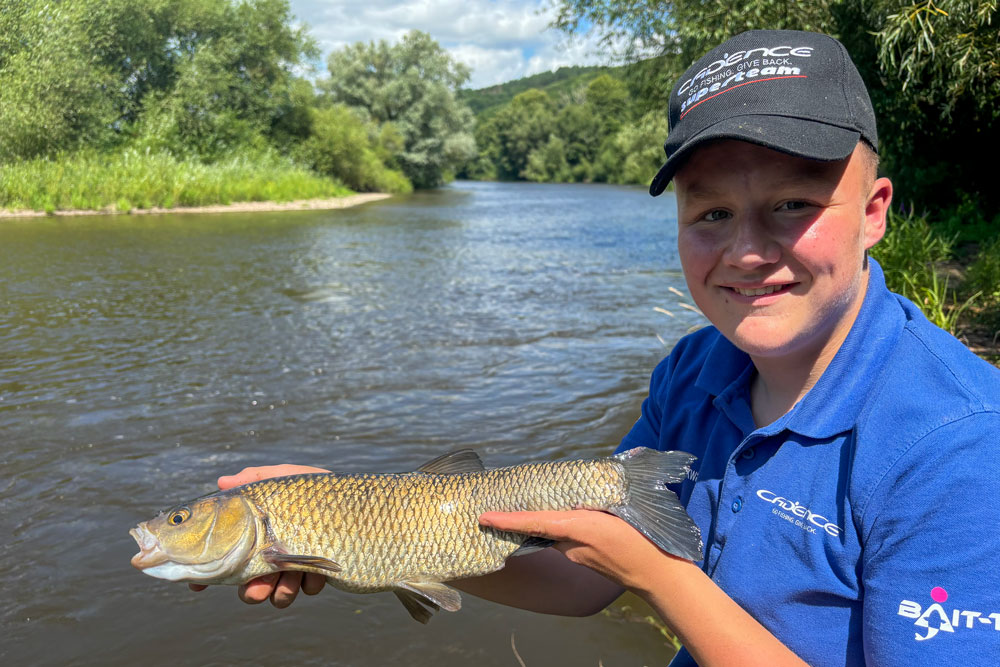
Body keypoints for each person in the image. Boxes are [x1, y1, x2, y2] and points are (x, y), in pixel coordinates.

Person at [193, 30, 1000, 666]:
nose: (747, 250)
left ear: (874, 211)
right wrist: (368, 532)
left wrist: (659, 576)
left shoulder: (959, 446)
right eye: (710, 214)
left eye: (793, 203)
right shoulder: (695, 369)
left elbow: (641, 566)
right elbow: (586, 576)